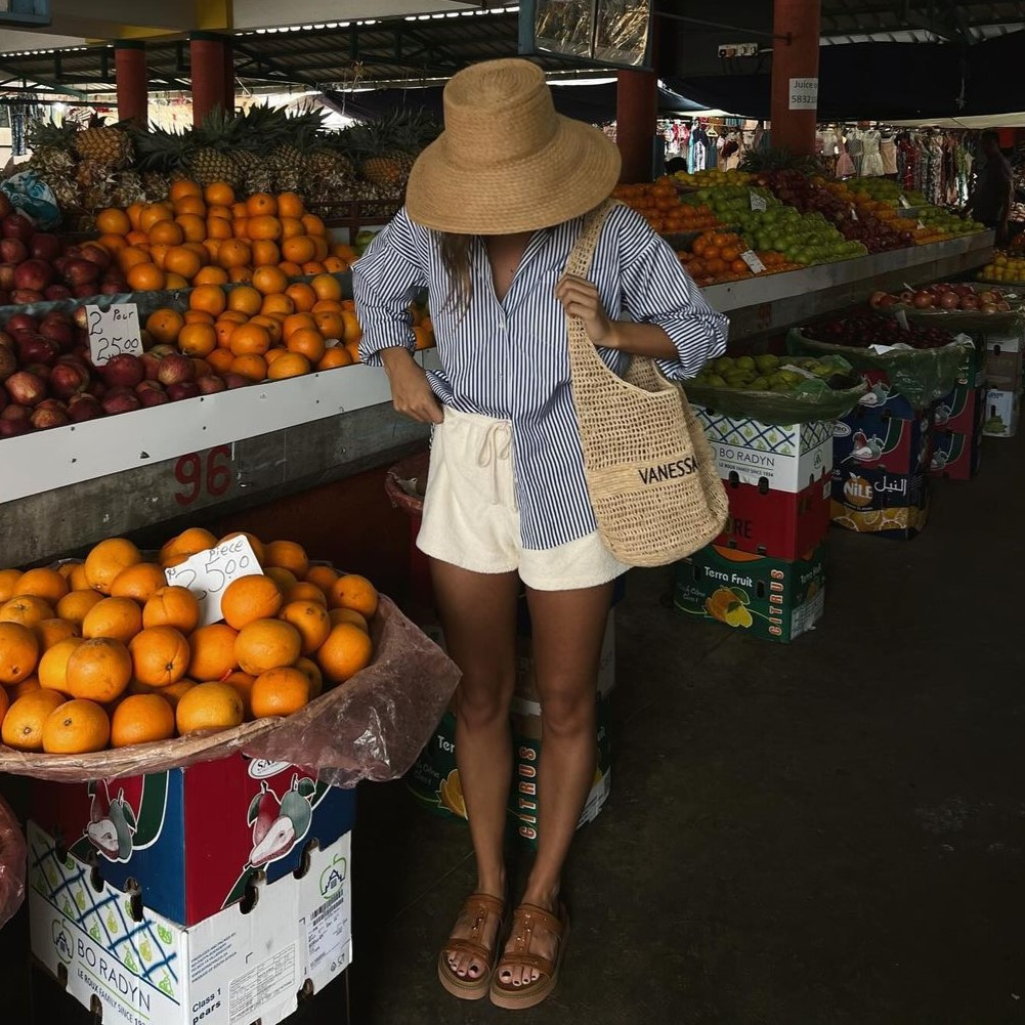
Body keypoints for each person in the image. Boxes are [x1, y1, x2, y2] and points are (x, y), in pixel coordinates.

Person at [354, 58, 728, 1011]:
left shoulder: (609, 233)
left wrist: (614, 329)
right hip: (467, 463)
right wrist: (396, 357)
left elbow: (700, 328)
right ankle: (485, 884)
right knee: (480, 691)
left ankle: (541, 893)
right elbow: (370, 282)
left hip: (579, 466)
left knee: (564, 699)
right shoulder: (428, 227)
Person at [966, 131, 1014, 243]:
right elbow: (979, 191)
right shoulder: (990, 163)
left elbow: (1009, 195)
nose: (985, 147)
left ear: (997, 144)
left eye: (989, 144)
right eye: (983, 144)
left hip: (992, 219)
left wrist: (1004, 223)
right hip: (981, 216)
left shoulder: (1001, 164)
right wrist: (965, 210)